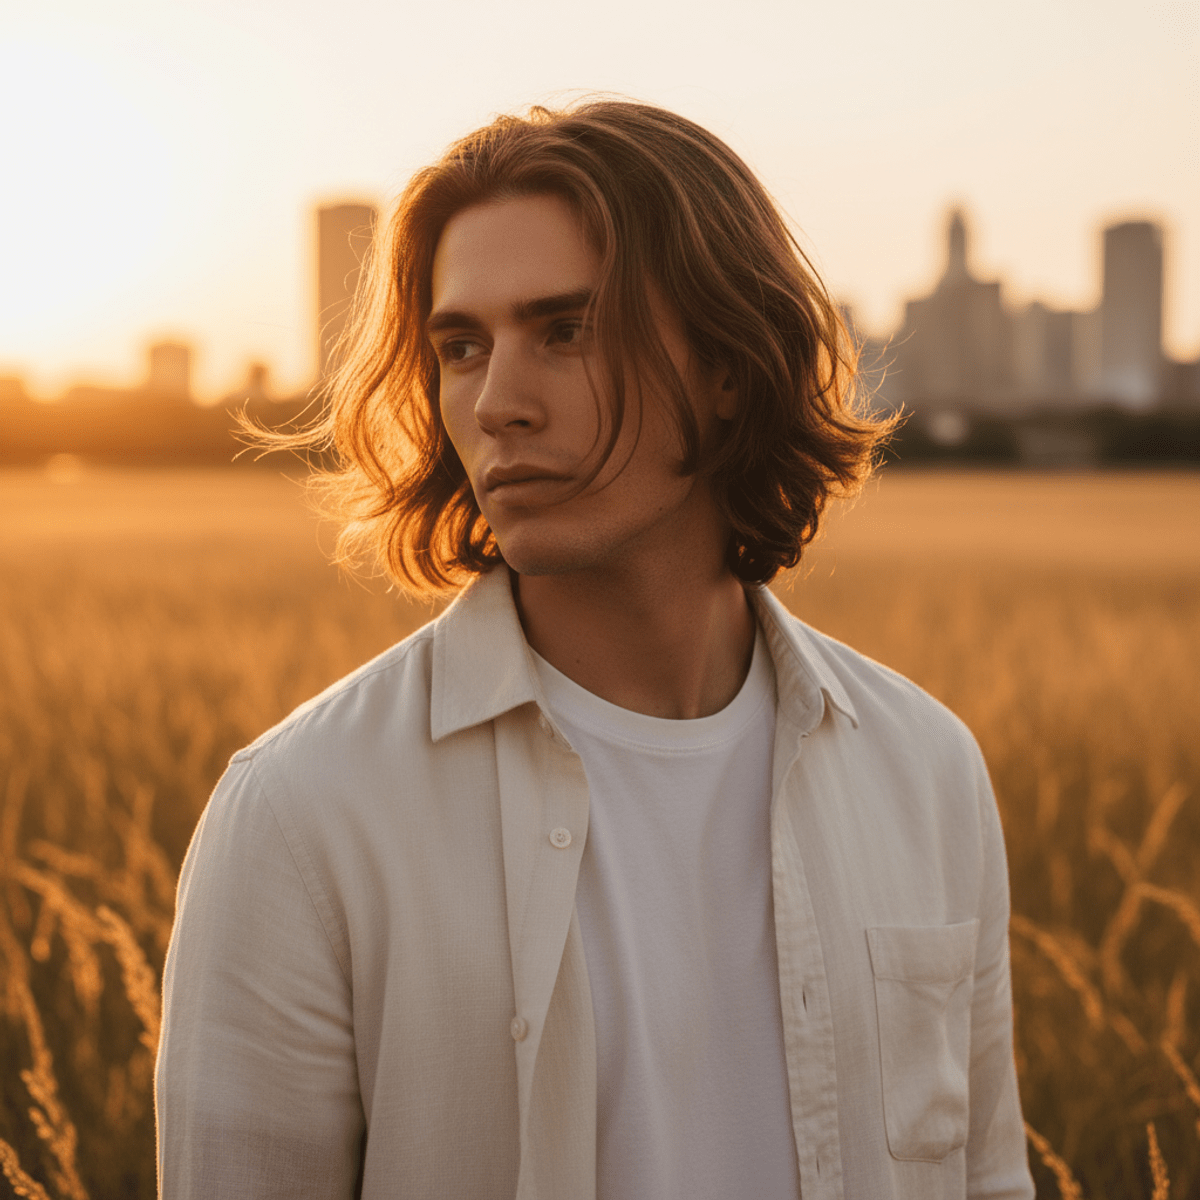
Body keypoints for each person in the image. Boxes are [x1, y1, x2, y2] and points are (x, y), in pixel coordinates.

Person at [155, 100, 1034, 1199]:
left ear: (727, 365)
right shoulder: (301, 816)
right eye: (461, 347)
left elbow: (988, 1174)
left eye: (565, 331)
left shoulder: (926, 769)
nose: (497, 405)